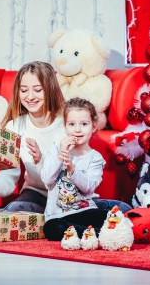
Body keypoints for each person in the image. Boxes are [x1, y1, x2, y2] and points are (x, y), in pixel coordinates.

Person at [0, 61, 131, 216]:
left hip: (69, 195)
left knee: (122, 210)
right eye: (24, 90)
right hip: (35, 194)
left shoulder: (67, 125)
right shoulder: (14, 127)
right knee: (15, 210)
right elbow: (9, 177)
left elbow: (78, 172)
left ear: (50, 89)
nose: (30, 96)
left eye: (37, 90)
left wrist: (42, 160)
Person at [42, 97, 110, 240]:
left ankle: (90, 233)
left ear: (94, 126)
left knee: (106, 216)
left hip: (85, 211)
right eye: (71, 124)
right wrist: (61, 156)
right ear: (65, 126)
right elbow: (47, 179)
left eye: (84, 124)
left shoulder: (95, 158)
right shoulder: (56, 150)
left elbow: (89, 188)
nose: (77, 130)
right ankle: (95, 234)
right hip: (58, 216)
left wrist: (72, 169)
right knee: (51, 228)